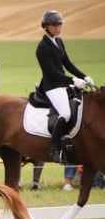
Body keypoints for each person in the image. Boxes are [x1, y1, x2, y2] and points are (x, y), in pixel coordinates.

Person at [36, 9, 95, 164]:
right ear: (46, 26)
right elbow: (52, 73)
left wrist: (84, 76)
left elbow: (67, 63)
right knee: (66, 114)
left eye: (59, 24)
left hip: (63, 83)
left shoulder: (59, 41)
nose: (57, 27)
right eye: (53, 25)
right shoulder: (42, 47)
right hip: (52, 86)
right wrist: (73, 80)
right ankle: (54, 148)